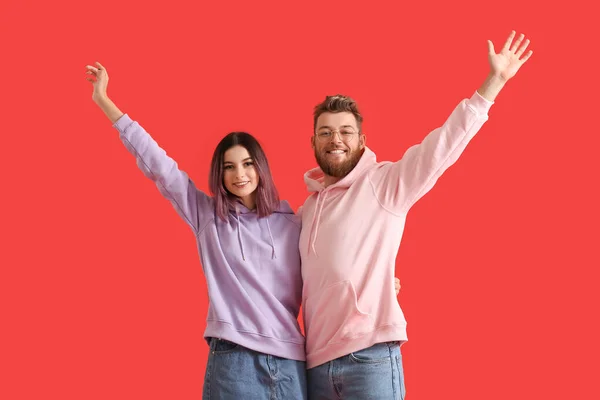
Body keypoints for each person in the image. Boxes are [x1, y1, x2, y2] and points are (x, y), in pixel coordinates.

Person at [84, 61, 404, 399]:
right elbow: (160, 166)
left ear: (261, 168)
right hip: (233, 360)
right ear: (219, 175)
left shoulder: (294, 222)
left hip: (291, 363)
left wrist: (377, 283)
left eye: (248, 163)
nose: (240, 174)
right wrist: (105, 101)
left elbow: (327, 268)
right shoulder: (207, 216)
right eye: (229, 167)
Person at [299, 31, 533, 399]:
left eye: (346, 131)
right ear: (313, 142)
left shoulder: (385, 183)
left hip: (369, 359)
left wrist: (494, 82)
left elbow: (442, 147)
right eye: (325, 132)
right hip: (314, 365)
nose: (336, 139)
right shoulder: (306, 212)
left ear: (361, 140)